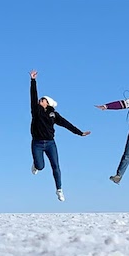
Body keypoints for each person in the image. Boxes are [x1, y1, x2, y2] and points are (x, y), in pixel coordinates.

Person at [29, 70, 90, 201]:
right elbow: (33, 96)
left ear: (48, 103)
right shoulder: (36, 111)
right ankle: (36, 164)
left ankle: (59, 190)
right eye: (41, 99)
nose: (41, 100)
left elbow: (66, 124)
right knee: (40, 166)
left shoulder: (53, 114)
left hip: (50, 143)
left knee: (56, 166)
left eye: (43, 99)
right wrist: (33, 81)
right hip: (37, 143)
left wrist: (79, 133)